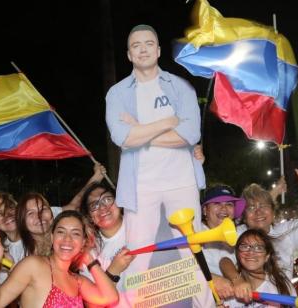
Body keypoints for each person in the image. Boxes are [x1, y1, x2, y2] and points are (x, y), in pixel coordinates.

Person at [105, 24, 209, 307]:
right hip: (140, 186)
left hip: (182, 179)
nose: (143, 48)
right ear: (129, 54)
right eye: (136, 45)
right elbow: (122, 138)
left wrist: (141, 131)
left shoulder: (180, 86)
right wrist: (167, 122)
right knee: (137, 254)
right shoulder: (117, 93)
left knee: (193, 251)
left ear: (159, 50)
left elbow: (190, 134)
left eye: (149, 43)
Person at [220, 169, 298, 304]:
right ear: (244, 216)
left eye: (263, 206)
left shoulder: (285, 232)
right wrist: (237, 280)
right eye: (251, 208)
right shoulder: (236, 234)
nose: (258, 211)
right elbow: (224, 260)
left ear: (272, 211)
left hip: (283, 302)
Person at [0, 210, 119, 308]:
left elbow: (111, 297)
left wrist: (90, 260)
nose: (67, 239)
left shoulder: (77, 281)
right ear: (52, 237)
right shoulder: (34, 265)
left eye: (75, 234)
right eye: (61, 232)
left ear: (83, 241)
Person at [79, 182, 135, 307]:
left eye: (107, 199)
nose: (102, 207)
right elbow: (93, 306)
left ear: (119, 202)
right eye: (94, 205)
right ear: (89, 217)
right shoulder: (89, 255)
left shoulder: (142, 223)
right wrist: (113, 271)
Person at [224, 229, 294, 308]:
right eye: (245, 246)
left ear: (267, 256)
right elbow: (224, 260)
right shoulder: (229, 289)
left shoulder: (281, 286)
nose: (251, 252)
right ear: (238, 254)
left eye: (258, 248)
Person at [200, 184, 246, 300]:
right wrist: (210, 279)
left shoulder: (242, 234)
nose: (224, 208)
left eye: (229, 204)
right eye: (217, 203)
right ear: (205, 210)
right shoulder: (194, 234)